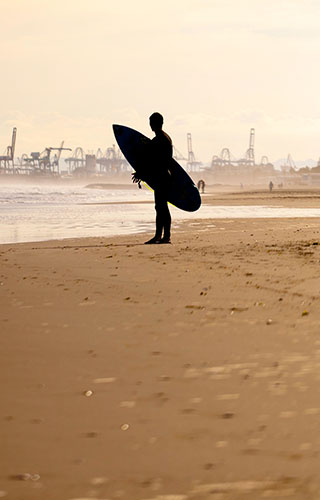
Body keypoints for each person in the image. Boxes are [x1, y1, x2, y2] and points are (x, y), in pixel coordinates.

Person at [132, 112, 173, 244]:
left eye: (151, 122)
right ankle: (164, 236)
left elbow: (153, 161)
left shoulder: (159, 140)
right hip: (165, 176)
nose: (150, 125)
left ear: (154, 124)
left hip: (161, 177)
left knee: (160, 207)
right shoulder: (165, 138)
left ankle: (159, 236)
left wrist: (140, 173)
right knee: (162, 207)